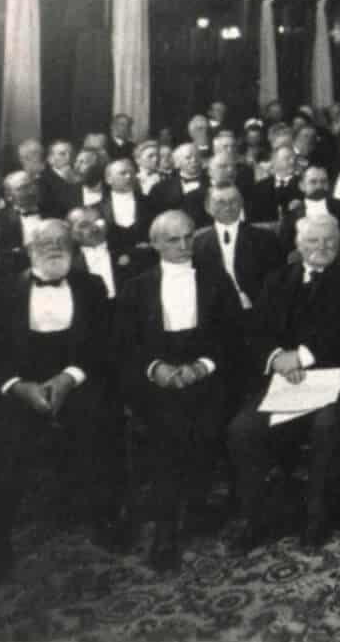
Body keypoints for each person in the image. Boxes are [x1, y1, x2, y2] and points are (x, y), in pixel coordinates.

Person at [0, 221, 122, 582]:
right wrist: (17, 386)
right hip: (19, 387)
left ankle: (105, 517)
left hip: (76, 379)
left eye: (62, 242)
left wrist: (69, 377)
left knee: (101, 421)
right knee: (0, 443)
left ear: (73, 249)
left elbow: (102, 345)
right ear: (28, 250)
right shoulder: (0, 290)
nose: (55, 248)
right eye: (45, 243)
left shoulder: (92, 286)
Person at [226, 213, 340, 553]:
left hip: (331, 381)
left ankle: (316, 520)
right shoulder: (277, 279)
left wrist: (303, 356)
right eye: (312, 241)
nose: (321, 247)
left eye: (329, 241)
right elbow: (257, 331)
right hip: (283, 382)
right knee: (241, 429)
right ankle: (255, 520)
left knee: (327, 427)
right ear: (298, 244)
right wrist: (277, 357)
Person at [115, 209, 243, 570]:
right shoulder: (136, 287)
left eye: (189, 237)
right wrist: (156, 369)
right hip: (156, 375)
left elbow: (233, 336)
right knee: (167, 426)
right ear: (155, 243)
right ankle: (166, 527)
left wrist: (203, 366)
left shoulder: (216, 279)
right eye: (174, 239)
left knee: (206, 419)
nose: (184, 245)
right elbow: (126, 345)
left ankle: (198, 503)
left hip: (209, 370)